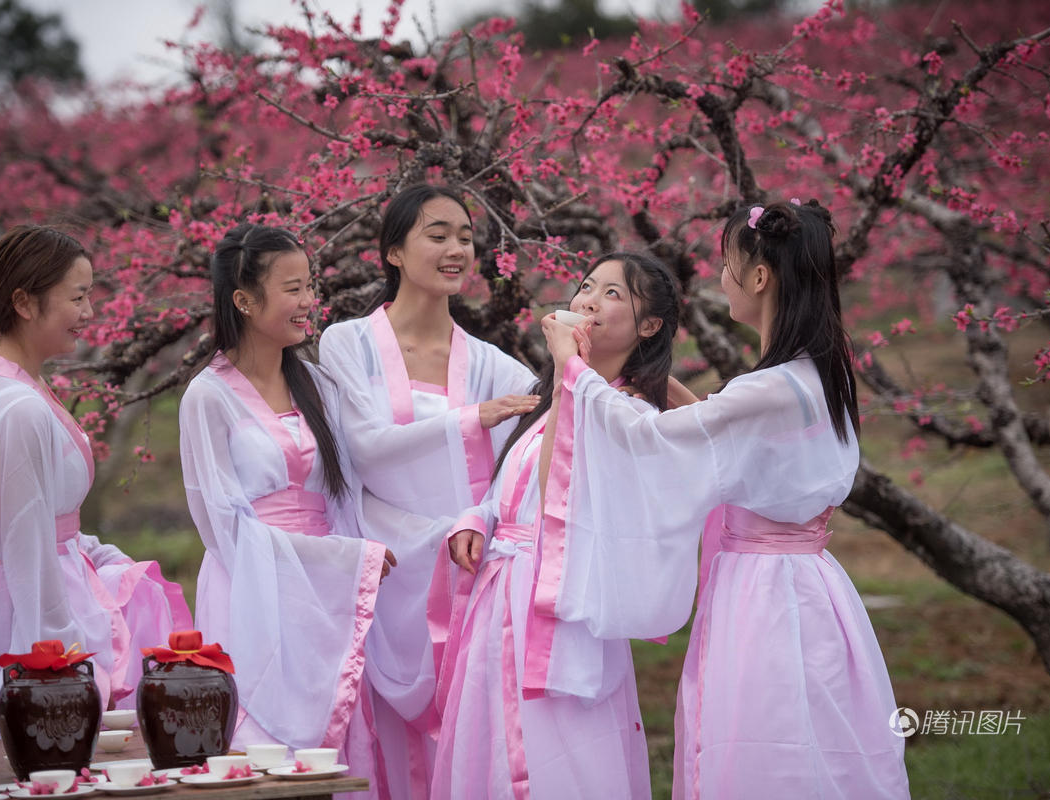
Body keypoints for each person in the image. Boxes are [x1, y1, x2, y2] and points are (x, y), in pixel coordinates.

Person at [540, 201, 911, 799]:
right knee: (806, 734)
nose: (721, 277)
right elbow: (729, 441)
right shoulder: (816, 371)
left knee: (765, 739)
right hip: (804, 582)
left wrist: (571, 367)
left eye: (728, 264)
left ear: (759, 277)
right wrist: (662, 388)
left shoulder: (771, 385)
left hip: (767, 593)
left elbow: (652, 439)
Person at [318, 184, 539, 800]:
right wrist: (472, 419)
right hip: (385, 565)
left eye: (466, 237)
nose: (456, 249)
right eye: (437, 234)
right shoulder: (348, 343)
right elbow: (367, 445)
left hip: (460, 562)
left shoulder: (491, 362)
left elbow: (543, 429)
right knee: (381, 738)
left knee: (466, 730)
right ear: (392, 252)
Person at [434, 252, 681, 800]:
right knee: (494, 747)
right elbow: (513, 492)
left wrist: (571, 368)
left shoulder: (631, 413)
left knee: (559, 753)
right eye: (587, 286)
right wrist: (477, 518)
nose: (589, 299)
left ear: (649, 326)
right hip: (501, 594)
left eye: (614, 294)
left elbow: (559, 493)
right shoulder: (550, 399)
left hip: (560, 601)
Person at [0, 225, 192, 741]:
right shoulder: (18, 408)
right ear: (25, 303)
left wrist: (97, 557)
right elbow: (28, 553)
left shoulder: (12, 390)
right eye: (78, 297)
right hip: (28, 611)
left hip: (23, 593)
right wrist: (59, 672)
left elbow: (42, 529)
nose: (90, 313)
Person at [179, 223, 393, 794]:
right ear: (244, 301)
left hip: (324, 591)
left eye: (310, 286)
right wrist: (343, 558)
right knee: (261, 748)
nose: (308, 303)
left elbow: (349, 491)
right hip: (251, 590)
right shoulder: (208, 396)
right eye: (293, 289)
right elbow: (223, 524)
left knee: (333, 745)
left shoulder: (318, 385)